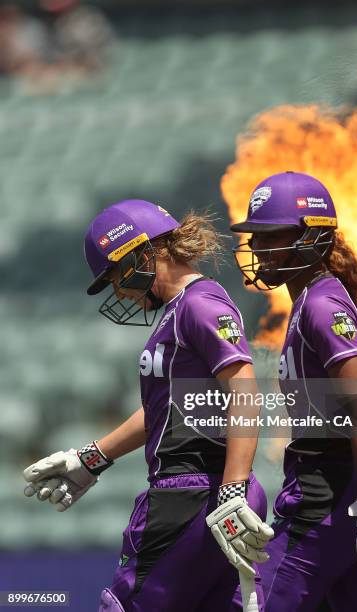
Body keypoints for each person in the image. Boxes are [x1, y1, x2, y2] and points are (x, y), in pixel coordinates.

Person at [22, 199, 273, 611]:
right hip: (206, 498)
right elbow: (166, 409)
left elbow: (244, 390)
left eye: (116, 275)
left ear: (144, 251)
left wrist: (233, 488)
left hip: (191, 497)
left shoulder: (199, 303)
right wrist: (92, 458)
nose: (119, 290)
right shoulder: (181, 311)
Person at [230, 172, 357, 611]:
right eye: (257, 236)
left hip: (333, 496)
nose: (258, 248)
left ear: (312, 238)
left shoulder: (319, 304)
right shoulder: (311, 299)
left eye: (273, 236)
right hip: (347, 490)